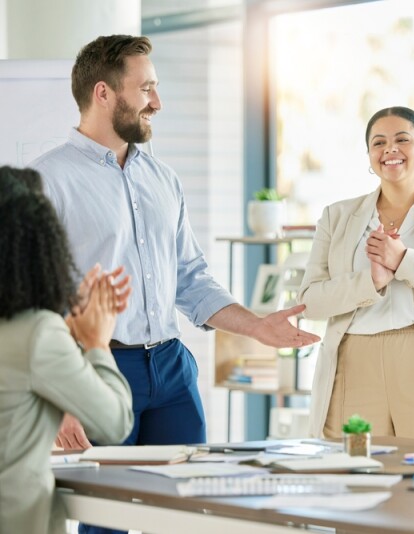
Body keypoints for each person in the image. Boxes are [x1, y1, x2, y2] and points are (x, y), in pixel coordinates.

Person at [30, 35, 319, 533]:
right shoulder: (45, 181)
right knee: (107, 521)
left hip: (171, 368)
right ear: (103, 93)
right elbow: (28, 304)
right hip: (98, 372)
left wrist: (258, 328)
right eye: (146, 89)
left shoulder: (163, 178)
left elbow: (191, 279)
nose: (157, 103)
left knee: (192, 512)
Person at [297, 106, 414, 442]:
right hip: (354, 361)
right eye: (379, 142)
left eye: (403, 139)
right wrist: (369, 282)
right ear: (370, 155)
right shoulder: (336, 216)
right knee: (354, 478)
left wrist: (406, 262)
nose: (390, 150)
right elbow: (310, 303)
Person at [0, 167, 134, 534]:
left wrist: (70, 326)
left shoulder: (36, 333)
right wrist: (97, 342)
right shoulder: (37, 333)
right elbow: (115, 422)